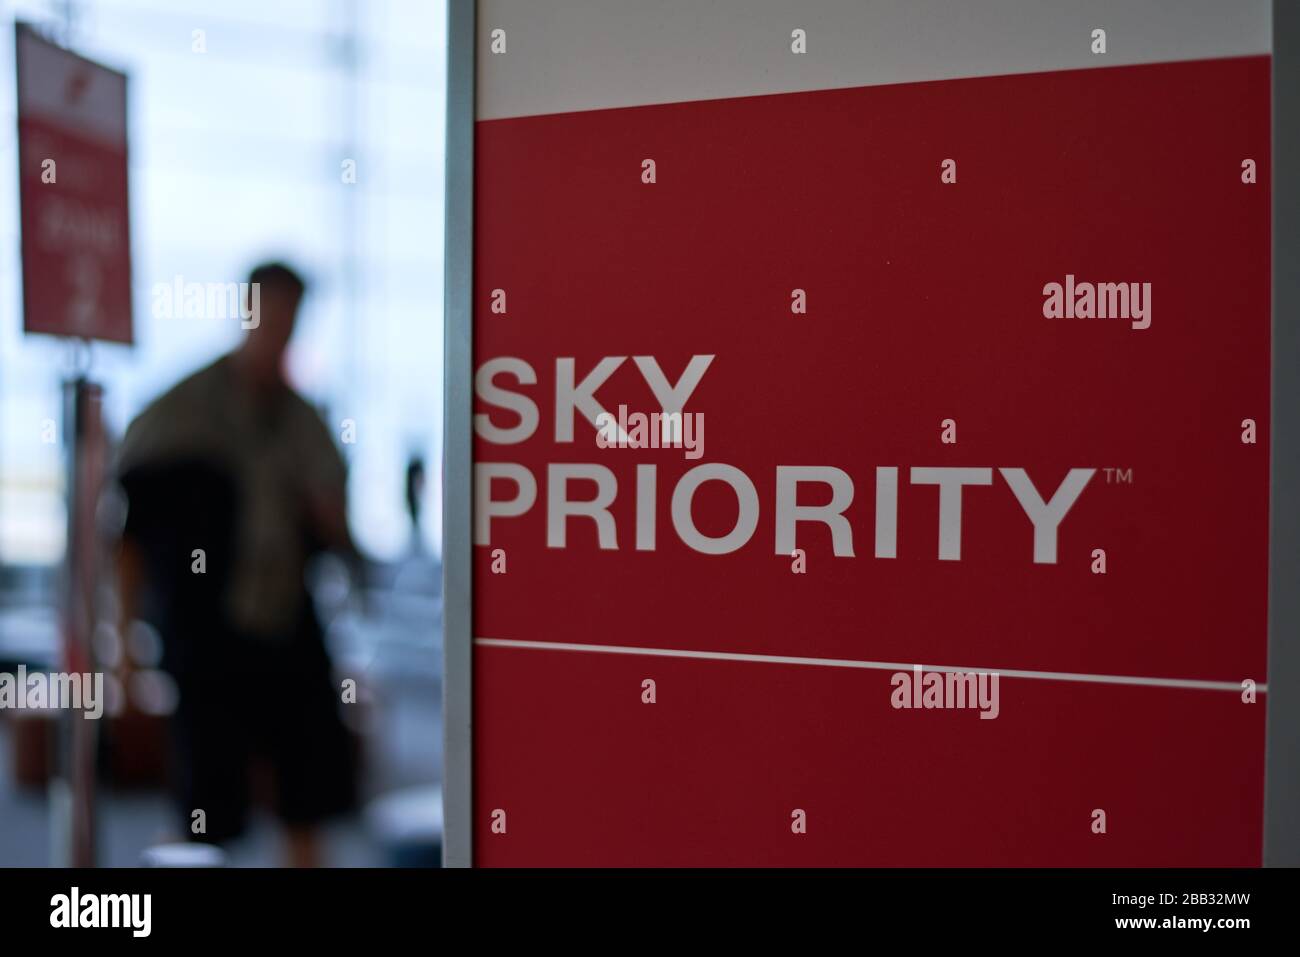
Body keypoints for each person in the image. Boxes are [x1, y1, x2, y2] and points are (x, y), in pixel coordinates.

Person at [114, 262, 360, 867]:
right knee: (206, 812)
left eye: (290, 316)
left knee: (309, 796)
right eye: (270, 312)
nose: (279, 328)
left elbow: (338, 532)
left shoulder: (304, 422)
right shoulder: (181, 412)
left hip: (286, 627)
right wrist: (123, 644)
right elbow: (127, 533)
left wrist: (328, 518)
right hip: (207, 635)